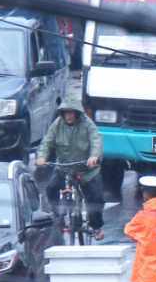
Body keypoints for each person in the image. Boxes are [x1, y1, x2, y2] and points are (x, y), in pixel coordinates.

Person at [37, 98, 107, 238]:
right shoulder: (57, 125)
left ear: (77, 113)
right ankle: (57, 214)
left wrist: (94, 157)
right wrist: (42, 157)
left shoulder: (88, 125)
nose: (68, 116)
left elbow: (96, 141)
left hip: (87, 170)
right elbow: (47, 141)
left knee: (96, 199)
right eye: (65, 113)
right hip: (64, 168)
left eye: (71, 113)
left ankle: (96, 227)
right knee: (51, 188)